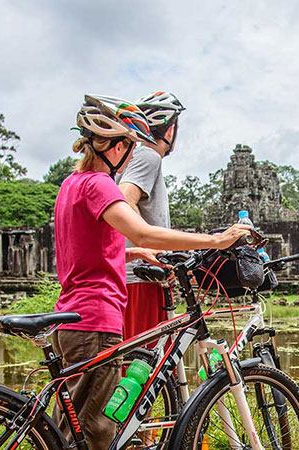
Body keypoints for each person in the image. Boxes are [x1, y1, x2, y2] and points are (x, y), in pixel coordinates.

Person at [52, 93, 250, 449]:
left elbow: (84, 251)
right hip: (96, 320)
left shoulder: (70, 185)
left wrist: (133, 254)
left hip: (69, 316)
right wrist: (215, 241)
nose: (131, 156)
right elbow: (141, 229)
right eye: (129, 146)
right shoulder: (99, 185)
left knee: (68, 430)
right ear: (115, 147)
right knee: (97, 431)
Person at [116, 91, 184, 344]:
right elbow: (125, 198)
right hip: (139, 277)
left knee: (146, 363)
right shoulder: (147, 156)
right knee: (144, 363)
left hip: (139, 275)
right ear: (170, 130)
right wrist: (152, 250)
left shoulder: (133, 158)